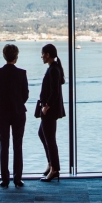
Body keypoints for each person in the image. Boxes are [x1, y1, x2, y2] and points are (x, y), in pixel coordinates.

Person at [0, 44, 29, 188]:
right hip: (18, 111)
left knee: (4, 145)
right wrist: (17, 102)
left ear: (4, 55)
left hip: (1, 112)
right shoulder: (22, 73)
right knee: (18, 145)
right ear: (16, 57)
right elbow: (25, 95)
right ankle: (18, 178)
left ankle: (4, 179)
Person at [37, 43, 65, 182]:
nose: (41, 56)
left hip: (49, 110)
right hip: (50, 110)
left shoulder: (53, 70)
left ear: (47, 55)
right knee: (43, 134)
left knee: (50, 139)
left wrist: (46, 106)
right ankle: (51, 164)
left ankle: (54, 169)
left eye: (42, 54)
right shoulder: (53, 68)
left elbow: (54, 91)